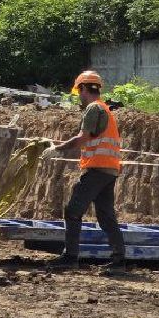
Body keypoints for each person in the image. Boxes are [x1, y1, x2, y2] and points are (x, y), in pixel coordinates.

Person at [50, 70, 126, 270]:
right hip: (109, 170)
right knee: (105, 215)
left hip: (97, 169)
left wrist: (57, 149)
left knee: (73, 211)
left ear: (83, 88)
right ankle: (119, 260)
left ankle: (70, 257)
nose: (79, 97)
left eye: (79, 91)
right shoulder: (105, 109)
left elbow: (82, 139)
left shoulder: (93, 108)